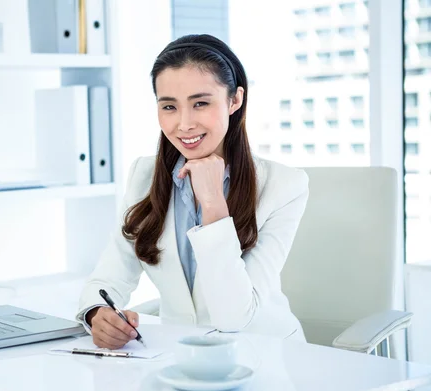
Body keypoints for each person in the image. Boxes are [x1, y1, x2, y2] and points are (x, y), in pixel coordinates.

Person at [76, 34, 309, 350]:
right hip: (180, 358)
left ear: (234, 100)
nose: (184, 124)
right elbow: (108, 278)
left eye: (201, 103)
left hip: (264, 357)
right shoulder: (144, 175)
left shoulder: (285, 185)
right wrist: (97, 314)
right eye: (169, 106)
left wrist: (213, 201)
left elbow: (235, 318)